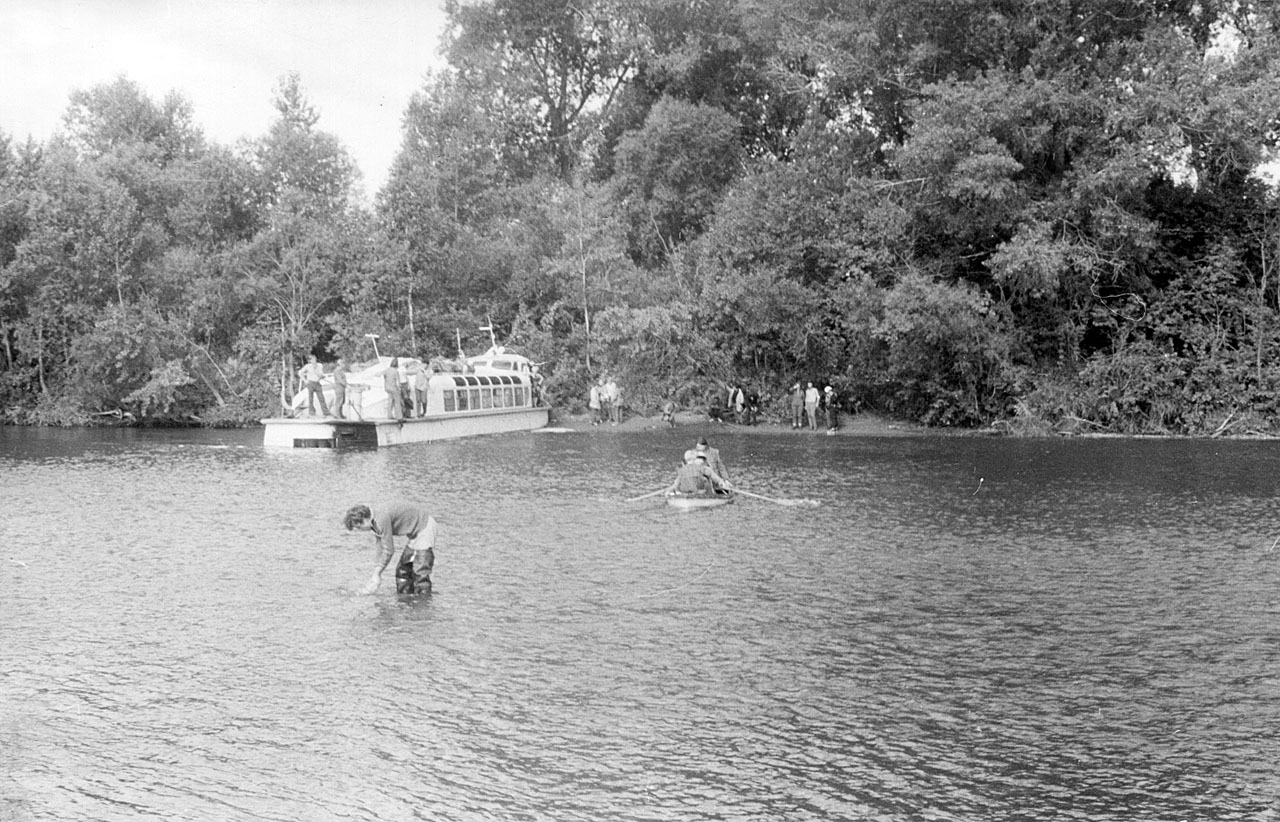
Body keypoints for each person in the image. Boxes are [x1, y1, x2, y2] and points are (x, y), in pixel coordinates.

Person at [343, 503, 439, 594]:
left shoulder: (381, 519)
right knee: (402, 572)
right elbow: (380, 545)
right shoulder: (373, 520)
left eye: (359, 527)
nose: (361, 530)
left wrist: (377, 573)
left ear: (365, 518)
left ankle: (423, 602)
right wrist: (376, 572)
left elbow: (389, 550)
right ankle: (405, 601)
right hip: (415, 533)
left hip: (425, 526)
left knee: (420, 572)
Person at [666, 450, 732, 496]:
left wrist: (722, 483)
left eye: (702, 459)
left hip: (693, 490)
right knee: (705, 480)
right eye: (699, 459)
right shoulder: (702, 468)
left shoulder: (705, 468)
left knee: (706, 480)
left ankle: (709, 494)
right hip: (699, 491)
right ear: (695, 459)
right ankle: (709, 495)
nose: (700, 461)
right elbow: (677, 482)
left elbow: (715, 478)